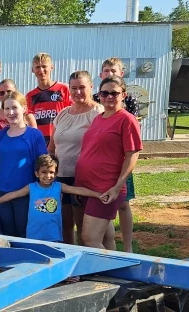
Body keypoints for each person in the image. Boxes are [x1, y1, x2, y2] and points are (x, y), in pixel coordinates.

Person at [75, 75, 142, 250]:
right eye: (105, 93)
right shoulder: (99, 118)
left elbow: (132, 155)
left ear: (124, 95)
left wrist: (117, 187)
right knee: (105, 237)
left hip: (106, 188)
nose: (109, 97)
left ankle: (107, 273)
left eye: (114, 93)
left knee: (89, 238)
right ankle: (111, 272)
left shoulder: (126, 120)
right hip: (89, 187)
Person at [0, 154, 102, 242]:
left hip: (53, 234)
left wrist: (97, 194)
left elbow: (78, 190)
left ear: (56, 174)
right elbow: (13, 195)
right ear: (37, 174)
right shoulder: (31, 187)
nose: (48, 176)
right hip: (34, 234)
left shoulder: (59, 187)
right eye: (44, 172)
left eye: (51, 172)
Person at [50, 70, 102, 245]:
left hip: (82, 177)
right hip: (61, 176)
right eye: (74, 88)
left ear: (91, 87)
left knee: (82, 225)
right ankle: (69, 261)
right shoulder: (63, 114)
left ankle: (85, 262)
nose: (77, 92)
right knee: (65, 223)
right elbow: (52, 146)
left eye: (82, 87)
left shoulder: (97, 113)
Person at [93, 57, 139, 252]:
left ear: (121, 73)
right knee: (105, 205)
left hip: (120, 162)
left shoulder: (128, 102)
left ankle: (128, 247)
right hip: (101, 166)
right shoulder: (98, 101)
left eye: (113, 71)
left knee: (123, 204)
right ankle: (109, 242)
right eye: (106, 70)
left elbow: (132, 144)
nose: (109, 73)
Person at [0, 91, 48, 238]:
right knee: (7, 233)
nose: (11, 112)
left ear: (24, 108)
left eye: (14, 108)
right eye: (7, 109)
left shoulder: (34, 135)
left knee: (24, 232)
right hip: (1, 190)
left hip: (25, 191)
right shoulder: (0, 135)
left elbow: (43, 164)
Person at [26, 52, 72, 145]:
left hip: (61, 141)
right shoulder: (29, 96)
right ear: (32, 70)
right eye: (37, 67)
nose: (41, 70)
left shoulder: (64, 89)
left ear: (51, 67)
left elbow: (73, 115)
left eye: (44, 66)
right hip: (39, 143)